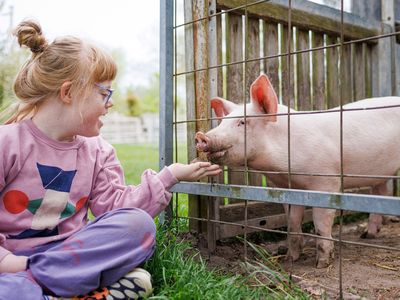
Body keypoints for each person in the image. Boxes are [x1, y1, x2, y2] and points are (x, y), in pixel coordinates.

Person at [0, 20, 221, 299]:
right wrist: (8, 262)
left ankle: (41, 283)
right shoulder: (7, 143)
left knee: (138, 225)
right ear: (68, 93)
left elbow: (115, 209)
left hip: (68, 255)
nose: (110, 102)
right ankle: (70, 288)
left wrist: (170, 175)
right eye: (104, 93)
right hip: (10, 260)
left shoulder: (98, 151)